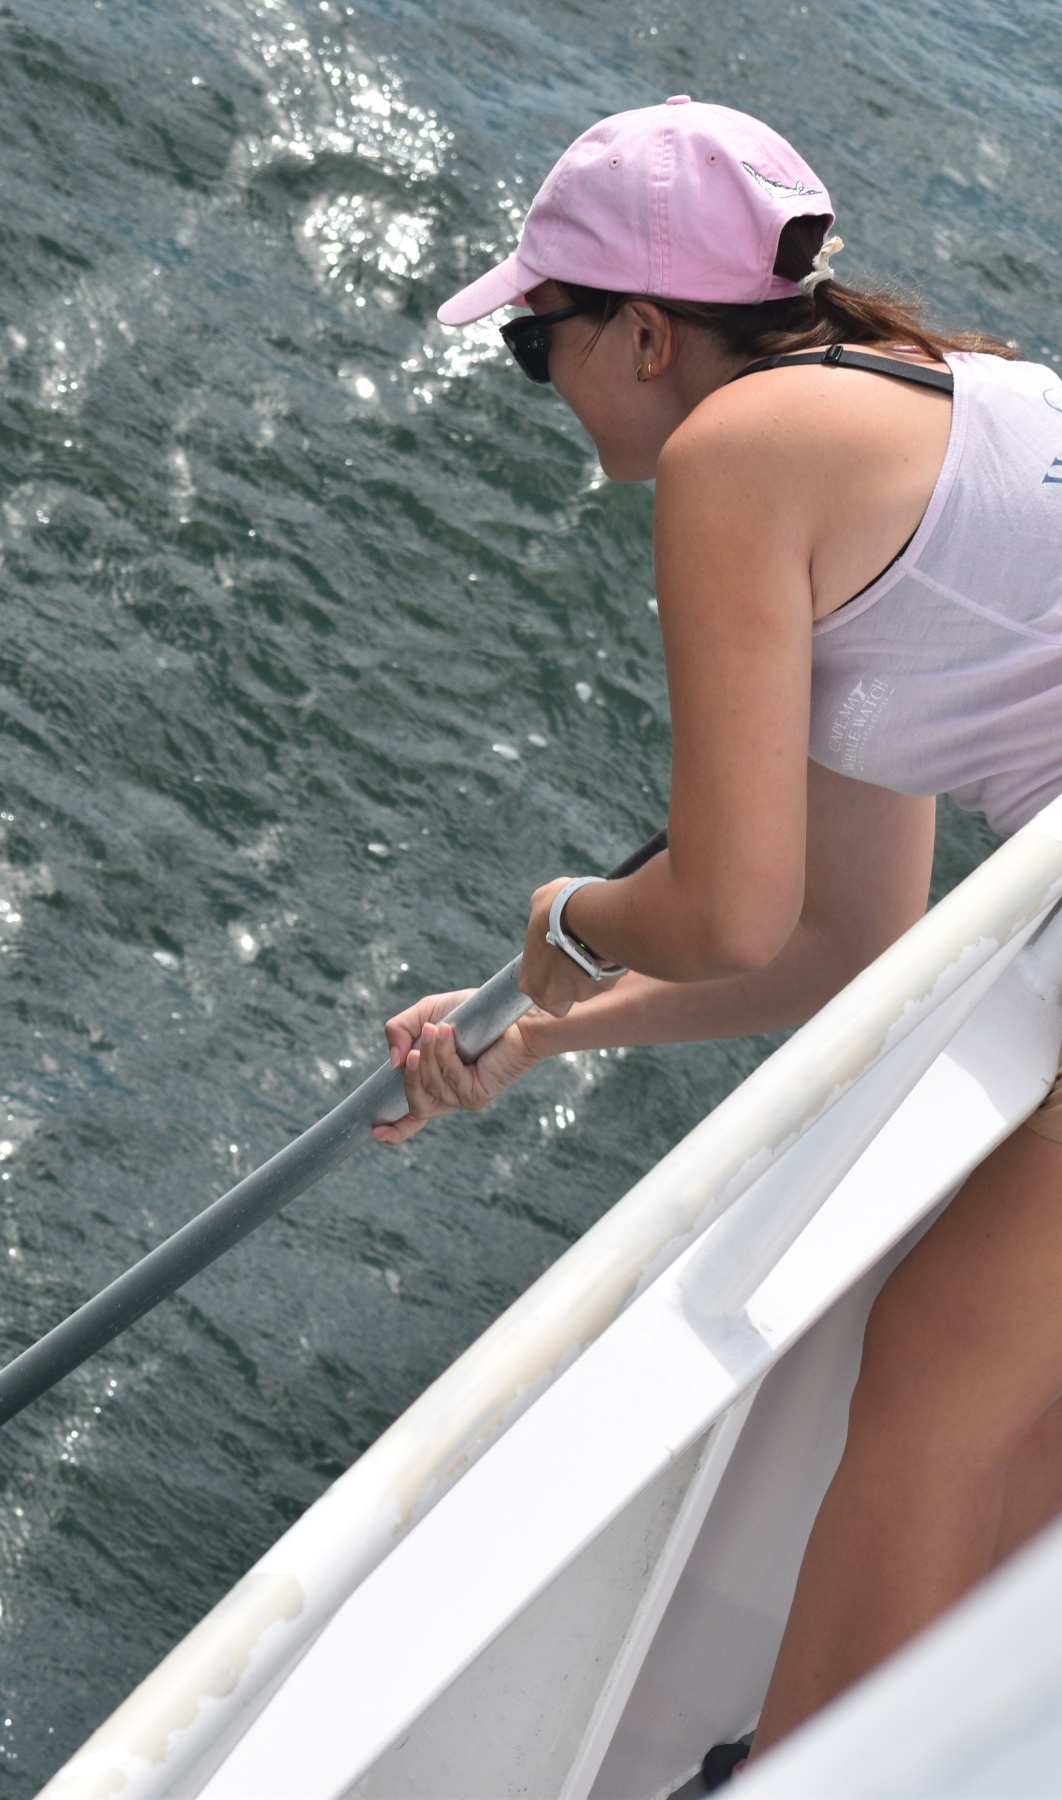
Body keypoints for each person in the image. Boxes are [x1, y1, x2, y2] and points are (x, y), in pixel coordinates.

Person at [373, 96, 1062, 1779]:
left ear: (649, 333)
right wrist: (546, 1032)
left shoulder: (736, 459)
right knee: (1012, 1409)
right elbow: (839, 941)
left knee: (933, 1399)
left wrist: (564, 918)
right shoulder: (937, 405)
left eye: (545, 346)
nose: (551, 389)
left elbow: (721, 906)